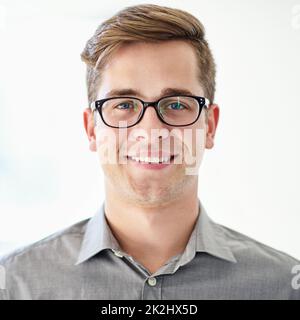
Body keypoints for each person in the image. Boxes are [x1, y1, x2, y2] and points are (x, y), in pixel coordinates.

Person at [0, 4, 299, 300]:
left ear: (210, 126)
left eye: (177, 104)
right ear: (92, 129)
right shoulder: (15, 285)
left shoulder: (284, 287)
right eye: (124, 105)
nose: (150, 131)